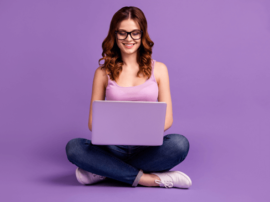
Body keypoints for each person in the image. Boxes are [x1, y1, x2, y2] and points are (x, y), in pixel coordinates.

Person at [65, 6, 192, 189]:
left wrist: (143, 131)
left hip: (148, 148)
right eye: (123, 33)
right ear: (114, 35)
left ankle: (103, 170)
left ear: (143, 34)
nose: (129, 39)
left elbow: (168, 118)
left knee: (180, 144)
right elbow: (93, 123)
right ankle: (149, 179)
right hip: (112, 148)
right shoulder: (102, 73)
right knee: (74, 147)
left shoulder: (160, 70)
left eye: (135, 33)